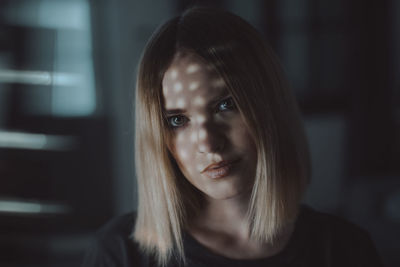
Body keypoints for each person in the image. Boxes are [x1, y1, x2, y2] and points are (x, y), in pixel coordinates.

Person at [82, 7, 383, 267]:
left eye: (226, 105)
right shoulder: (122, 253)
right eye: (176, 120)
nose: (209, 143)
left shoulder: (347, 250)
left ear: (268, 106)